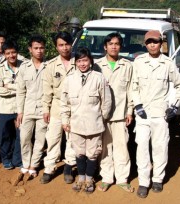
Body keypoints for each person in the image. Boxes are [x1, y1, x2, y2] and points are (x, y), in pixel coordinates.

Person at [131, 30, 180, 198]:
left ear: (161, 43)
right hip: (142, 114)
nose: (152, 44)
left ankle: (157, 179)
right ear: (145, 44)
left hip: (160, 114)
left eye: (155, 41)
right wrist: (138, 105)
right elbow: (134, 86)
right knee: (141, 147)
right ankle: (143, 182)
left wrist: (174, 106)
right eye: (149, 42)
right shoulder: (139, 62)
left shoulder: (168, 64)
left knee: (160, 147)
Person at [61, 47, 112, 193]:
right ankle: (81, 178)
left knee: (92, 153)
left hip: (94, 125)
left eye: (85, 60)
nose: (82, 64)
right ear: (75, 62)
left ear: (90, 61)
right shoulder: (70, 79)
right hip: (75, 125)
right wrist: (65, 120)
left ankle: (89, 179)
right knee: (79, 153)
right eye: (79, 61)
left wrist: (101, 118)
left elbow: (106, 101)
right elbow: (64, 102)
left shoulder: (98, 78)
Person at [93, 32, 134, 193]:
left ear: (120, 47)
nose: (114, 46)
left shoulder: (127, 65)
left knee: (121, 147)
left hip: (120, 115)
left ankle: (122, 179)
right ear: (105, 47)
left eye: (117, 44)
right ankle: (106, 178)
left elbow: (131, 89)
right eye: (111, 44)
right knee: (104, 148)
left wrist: (130, 111)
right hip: (102, 116)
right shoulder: (97, 65)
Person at [41, 31, 77, 184]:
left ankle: (69, 167)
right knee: (53, 138)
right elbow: (46, 90)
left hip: (75, 107)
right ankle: (49, 168)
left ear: (71, 44)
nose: (64, 48)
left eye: (67, 44)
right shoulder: (50, 65)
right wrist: (45, 109)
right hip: (56, 106)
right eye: (61, 45)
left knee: (72, 139)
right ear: (56, 47)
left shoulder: (80, 61)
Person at [15, 35, 47, 184]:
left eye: (41, 48)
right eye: (36, 48)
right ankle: (25, 163)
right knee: (24, 138)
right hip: (27, 109)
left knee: (40, 140)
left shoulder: (50, 66)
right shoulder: (24, 67)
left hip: (44, 110)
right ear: (30, 49)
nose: (39, 51)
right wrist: (19, 112)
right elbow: (20, 91)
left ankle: (34, 165)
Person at [0, 40, 24, 170]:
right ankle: (6, 158)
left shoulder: (25, 66)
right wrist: (19, 89)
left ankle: (18, 160)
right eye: (8, 53)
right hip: (5, 108)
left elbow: (27, 87)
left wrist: (9, 86)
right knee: (4, 135)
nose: (11, 55)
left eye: (13, 52)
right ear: (4, 55)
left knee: (21, 135)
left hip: (21, 108)